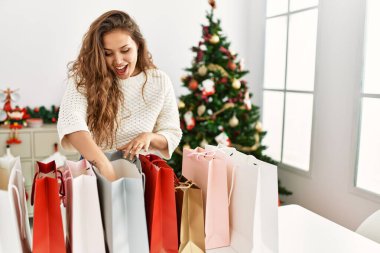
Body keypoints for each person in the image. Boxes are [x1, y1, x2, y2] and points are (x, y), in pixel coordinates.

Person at [57, 10, 182, 180]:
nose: (118, 61)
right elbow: (71, 122)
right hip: (95, 170)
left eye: (125, 50)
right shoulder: (85, 78)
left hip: (142, 172)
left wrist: (149, 137)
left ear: (138, 44)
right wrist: (104, 164)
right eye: (108, 53)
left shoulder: (159, 81)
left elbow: (172, 133)